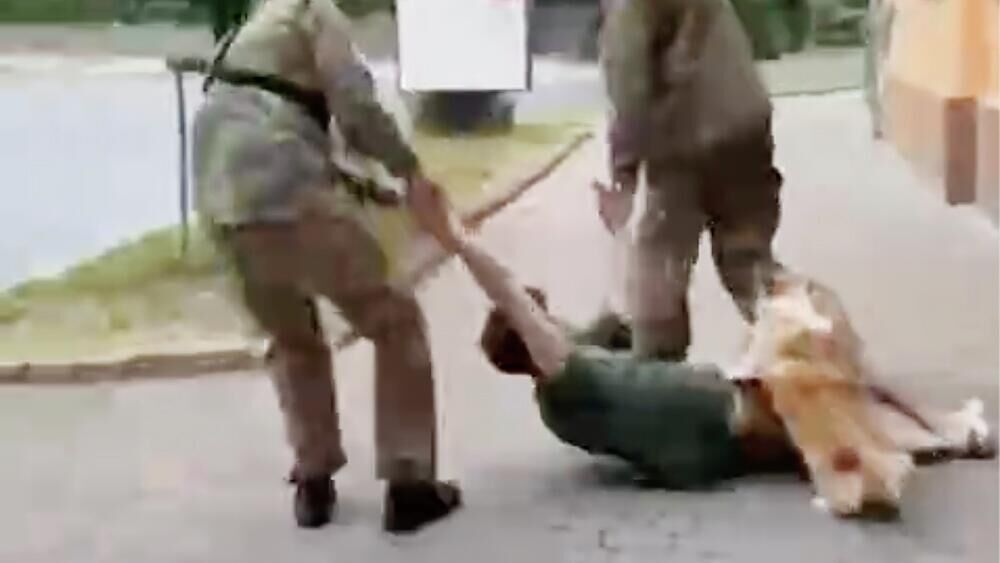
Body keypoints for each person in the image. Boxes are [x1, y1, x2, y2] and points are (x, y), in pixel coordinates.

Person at [191, 0, 460, 533]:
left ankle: (313, 480)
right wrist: (410, 170)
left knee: (291, 337)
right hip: (286, 188)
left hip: (220, 199)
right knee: (394, 318)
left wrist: (369, 189)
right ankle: (409, 482)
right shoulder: (316, 11)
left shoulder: (253, 27)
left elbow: (283, 118)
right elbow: (355, 108)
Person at [596, 0, 786, 361]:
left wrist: (623, 174)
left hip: (686, 134)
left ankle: (655, 371)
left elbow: (628, 78)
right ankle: (810, 336)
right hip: (745, 121)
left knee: (658, 262)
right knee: (747, 258)